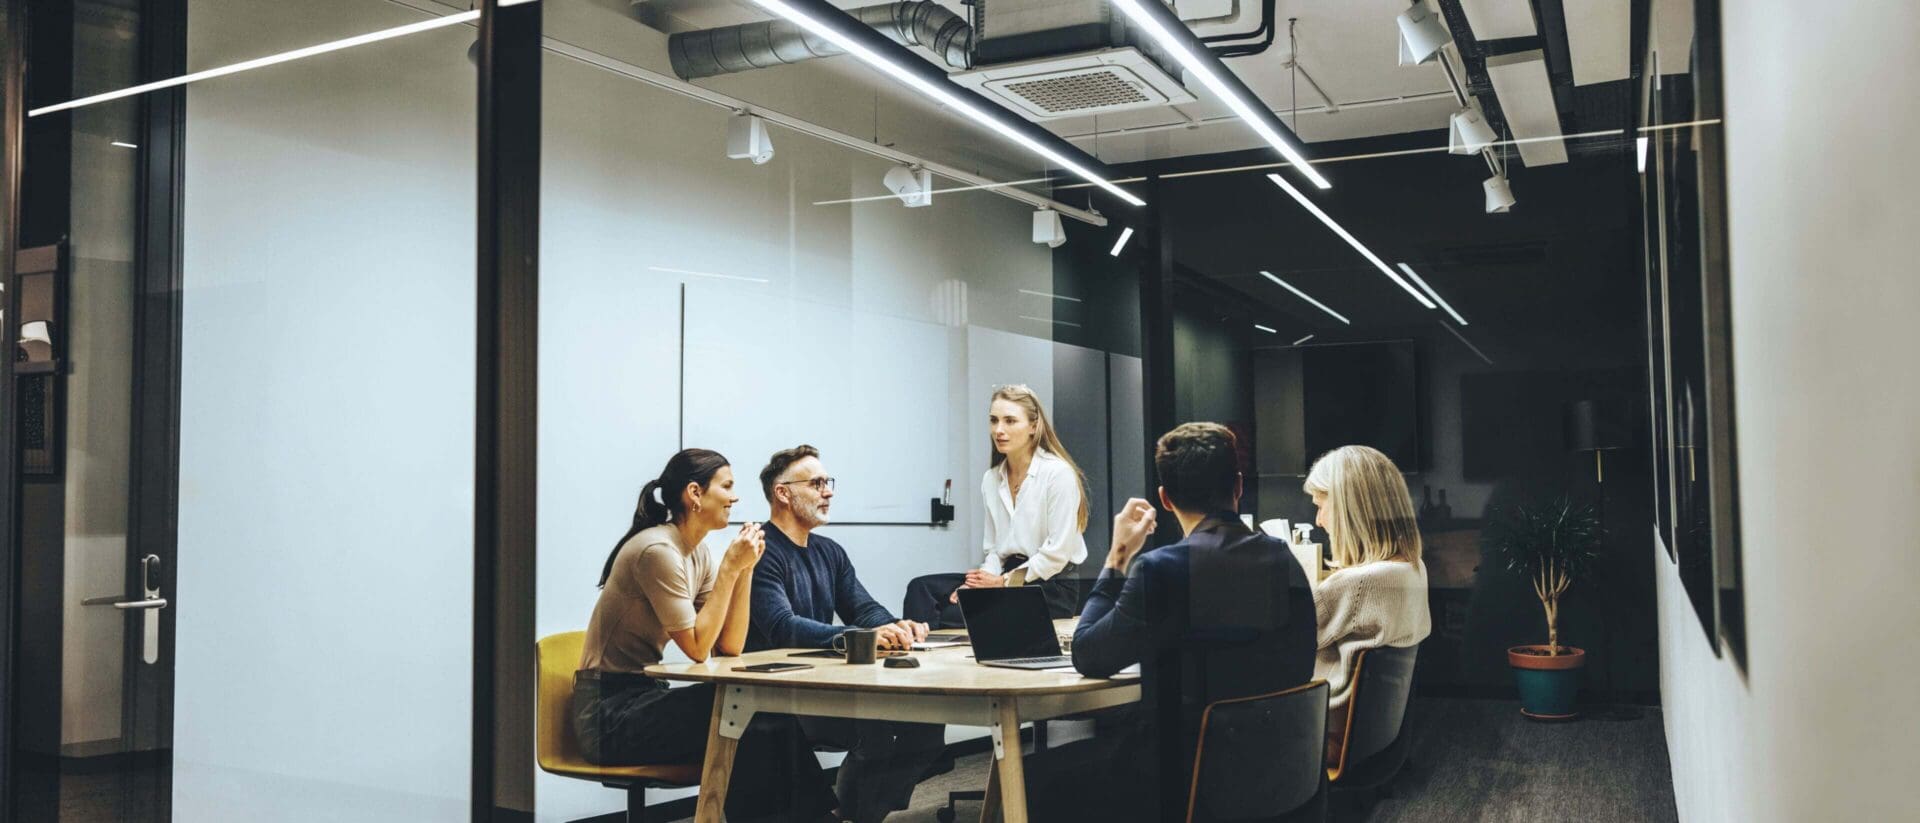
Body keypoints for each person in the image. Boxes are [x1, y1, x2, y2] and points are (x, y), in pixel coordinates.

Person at [1026, 422, 1318, 822]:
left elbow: (1088, 655)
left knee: (1037, 778)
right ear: (1237, 486)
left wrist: (1117, 557)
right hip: (1284, 772)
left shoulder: (1161, 569)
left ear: (1164, 498)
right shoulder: (1284, 560)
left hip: (1187, 780)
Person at [572, 448, 837, 823]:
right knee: (742, 712)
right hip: (606, 715)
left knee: (758, 710)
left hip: (642, 699)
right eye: (726, 486)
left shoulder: (695, 555)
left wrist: (745, 570)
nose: (735, 497)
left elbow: (729, 645)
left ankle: (817, 817)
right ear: (695, 494)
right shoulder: (657, 551)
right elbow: (698, 649)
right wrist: (731, 567)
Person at [747, 445, 948, 823]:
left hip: (828, 684)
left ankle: (851, 812)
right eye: (817, 482)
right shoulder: (761, 550)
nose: (829, 491)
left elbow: (863, 608)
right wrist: (855, 636)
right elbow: (781, 626)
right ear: (783, 493)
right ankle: (850, 813)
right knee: (876, 727)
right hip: (783, 695)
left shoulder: (830, 551)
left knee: (926, 725)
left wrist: (895, 625)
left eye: (829, 482)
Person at [902, 384, 1089, 628]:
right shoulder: (992, 479)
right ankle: (920, 650)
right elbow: (994, 551)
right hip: (1004, 577)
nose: (999, 430)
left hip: (1050, 585)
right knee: (921, 589)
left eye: (1010, 421)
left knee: (955, 615)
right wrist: (977, 584)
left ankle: (950, 652)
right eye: (994, 420)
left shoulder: (1057, 474)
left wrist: (1001, 584)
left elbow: (1056, 555)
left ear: (1034, 426)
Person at [1304, 444, 1431, 768]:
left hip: (1323, 737)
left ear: (1350, 509)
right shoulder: (1413, 568)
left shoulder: (1356, 585)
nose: (1318, 521)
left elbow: (1288, 644)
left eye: (1321, 506)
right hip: (1373, 738)